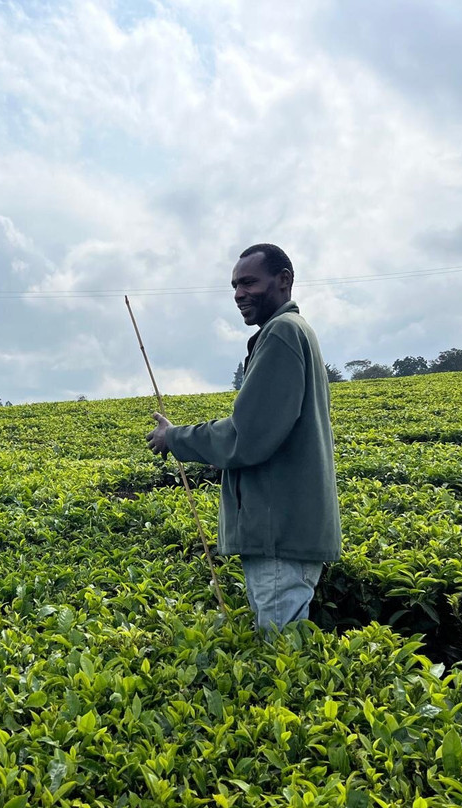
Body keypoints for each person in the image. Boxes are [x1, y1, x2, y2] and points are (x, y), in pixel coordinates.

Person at [145, 243, 341, 634]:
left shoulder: (282, 332)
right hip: (281, 532)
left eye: (249, 282)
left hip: (279, 533)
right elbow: (265, 428)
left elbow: (247, 435)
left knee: (281, 657)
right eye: (234, 285)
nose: (238, 294)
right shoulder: (292, 332)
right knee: (282, 653)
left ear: (284, 281)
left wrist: (175, 438)